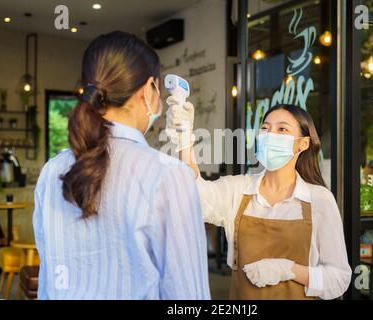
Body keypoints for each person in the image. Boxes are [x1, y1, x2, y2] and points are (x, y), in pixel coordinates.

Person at [33, 31, 210, 300]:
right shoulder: (168, 175)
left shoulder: (51, 171)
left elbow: (48, 284)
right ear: (148, 90)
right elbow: (189, 298)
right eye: (158, 88)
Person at [166, 102, 352, 300]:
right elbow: (193, 195)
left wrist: (288, 270)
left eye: (282, 129)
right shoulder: (238, 190)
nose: (270, 135)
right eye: (265, 128)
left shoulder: (319, 199)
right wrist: (184, 138)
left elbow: (339, 278)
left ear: (303, 143)